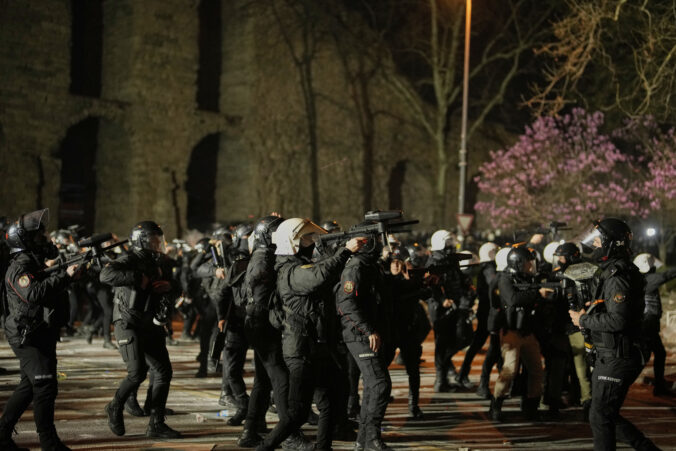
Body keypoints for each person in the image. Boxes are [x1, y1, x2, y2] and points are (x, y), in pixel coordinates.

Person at [269, 218, 364, 451]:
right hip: (300, 350)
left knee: (333, 399)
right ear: (291, 243)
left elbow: (325, 278)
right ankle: (264, 447)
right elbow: (318, 277)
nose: (311, 243)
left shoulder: (301, 265)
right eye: (306, 239)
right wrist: (344, 252)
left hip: (316, 348)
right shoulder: (291, 271)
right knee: (297, 413)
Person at [570, 218, 658, 450]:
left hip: (618, 354)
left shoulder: (619, 275)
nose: (595, 245)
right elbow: (613, 309)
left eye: (599, 240)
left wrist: (584, 319)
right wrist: (593, 307)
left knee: (601, 416)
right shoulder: (613, 271)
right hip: (611, 352)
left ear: (612, 243)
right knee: (603, 414)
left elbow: (619, 319)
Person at [0, 208, 80, 451]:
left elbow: (44, 282)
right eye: (37, 237)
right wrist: (65, 276)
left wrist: (62, 269)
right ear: (24, 241)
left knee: (29, 385)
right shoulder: (20, 266)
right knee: (45, 385)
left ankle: (2, 436)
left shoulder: (32, 262)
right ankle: (49, 443)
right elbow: (33, 294)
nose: (43, 240)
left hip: (38, 331)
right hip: (27, 335)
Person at [100, 221, 181, 439]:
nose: (158, 245)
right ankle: (115, 406)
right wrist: (137, 278)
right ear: (142, 241)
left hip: (150, 322)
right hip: (128, 323)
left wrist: (169, 287)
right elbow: (106, 276)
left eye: (159, 241)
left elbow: (176, 285)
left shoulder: (159, 261)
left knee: (163, 371)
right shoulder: (130, 259)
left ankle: (156, 424)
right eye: (154, 241)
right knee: (137, 373)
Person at [336, 227, 392, 451]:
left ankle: (366, 439)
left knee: (373, 385)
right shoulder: (356, 266)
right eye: (377, 240)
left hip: (366, 333)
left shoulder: (369, 266)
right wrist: (369, 330)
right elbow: (346, 303)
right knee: (380, 385)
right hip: (359, 335)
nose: (381, 244)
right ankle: (371, 438)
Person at [489, 246, 548, 422]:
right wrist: (537, 294)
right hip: (512, 331)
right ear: (518, 263)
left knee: (536, 370)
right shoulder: (505, 279)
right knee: (509, 370)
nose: (531, 266)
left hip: (528, 331)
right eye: (528, 263)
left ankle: (531, 406)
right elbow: (513, 300)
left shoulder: (529, 279)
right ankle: (496, 404)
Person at [425, 229, 474, 392]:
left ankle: (446, 367)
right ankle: (441, 380)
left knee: (463, 337)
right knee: (442, 343)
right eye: (448, 243)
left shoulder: (452, 260)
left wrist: (467, 287)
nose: (451, 246)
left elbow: (458, 278)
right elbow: (430, 286)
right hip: (441, 309)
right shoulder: (434, 262)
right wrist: (442, 300)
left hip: (457, 305)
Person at [457, 242, 498, 391]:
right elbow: (493, 290)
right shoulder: (490, 270)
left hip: (485, 311)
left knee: (478, 345)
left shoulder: (485, 269)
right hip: (489, 313)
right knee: (493, 347)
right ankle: (483, 383)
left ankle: (463, 374)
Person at [633, 252, 676, 397]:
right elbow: (666, 275)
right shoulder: (648, 280)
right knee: (644, 357)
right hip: (648, 323)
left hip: (646, 323)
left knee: (658, 353)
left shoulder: (638, 279)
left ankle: (659, 386)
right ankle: (620, 384)